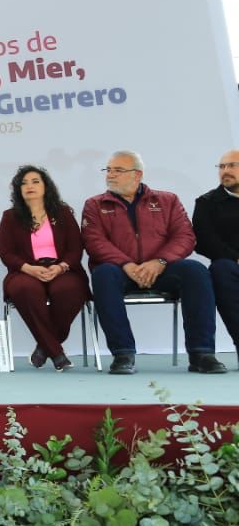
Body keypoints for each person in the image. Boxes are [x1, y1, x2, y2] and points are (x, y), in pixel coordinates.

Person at [81, 150, 226, 375]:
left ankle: (202, 353)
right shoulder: (94, 204)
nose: (110, 175)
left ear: (137, 174)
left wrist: (159, 261)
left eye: (118, 170)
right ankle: (123, 353)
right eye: (108, 170)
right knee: (103, 275)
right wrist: (126, 264)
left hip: (162, 269)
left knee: (196, 271)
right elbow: (94, 242)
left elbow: (185, 236)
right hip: (120, 271)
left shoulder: (167, 200)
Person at [0, 165, 90, 372]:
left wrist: (61, 267)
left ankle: (44, 347)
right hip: (25, 271)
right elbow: (6, 253)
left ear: (46, 187)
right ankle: (57, 354)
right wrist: (28, 268)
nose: (29, 186)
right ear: (18, 190)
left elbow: (76, 248)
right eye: (24, 183)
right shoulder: (10, 217)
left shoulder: (63, 213)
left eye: (35, 181)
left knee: (69, 290)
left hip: (62, 268)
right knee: (25, 289)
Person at [191, 149, 239, 356]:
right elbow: (204, 241)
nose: (225, 171)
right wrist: (236, 258)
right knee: (221, 269)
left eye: (232, 166)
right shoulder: (207, 202)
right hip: (230, 265)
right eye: (222, 166)